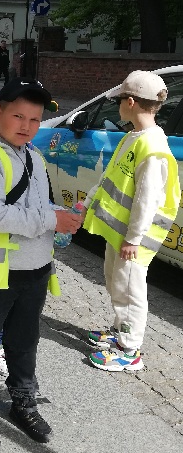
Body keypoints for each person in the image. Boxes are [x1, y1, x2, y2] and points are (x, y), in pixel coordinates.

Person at [0, 78, 82, 451]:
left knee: (24, 342)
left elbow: (36, 207)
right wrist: (52, 219)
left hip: (35, 269)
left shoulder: (34, 156)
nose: (27, 126)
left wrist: (61, 218)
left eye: (35, 119)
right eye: (18, 116)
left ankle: (23, 401)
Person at [81, 71, 181, 372]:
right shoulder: (133, 137)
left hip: (134, 239)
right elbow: (110, 177)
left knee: (130, 291)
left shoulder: (152, 148)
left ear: (132, 102)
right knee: (116, 282)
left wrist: (134, 239)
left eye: (120, 101)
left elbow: (147, 200)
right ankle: (119, 331)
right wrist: (87, 204)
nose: (118, 106)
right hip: (122, 234)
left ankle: (129, 349)